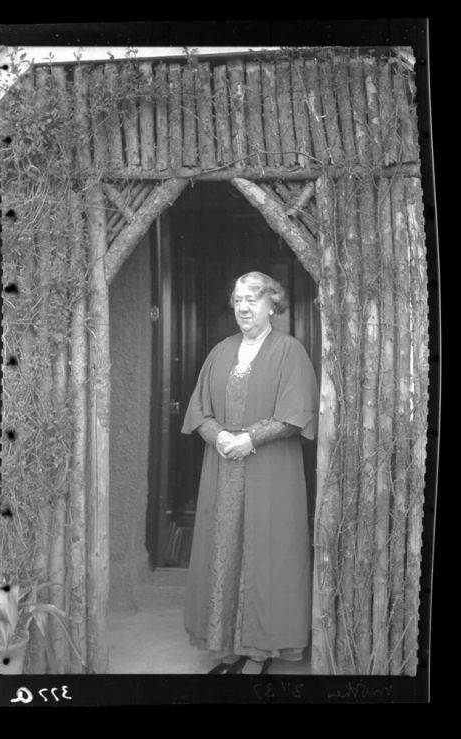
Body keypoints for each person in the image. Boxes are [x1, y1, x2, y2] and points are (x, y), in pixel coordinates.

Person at [181, 271, 319, 675]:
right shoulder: (221, 351)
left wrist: (250, 439)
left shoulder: (289, 351)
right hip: (223, 471)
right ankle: (226, 648)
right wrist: (218, 435)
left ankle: (259, 651)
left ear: (272, 304)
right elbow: (198, 410)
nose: (243, 307)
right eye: (239, 299)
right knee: (223, 550)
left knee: (265, 555)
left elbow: (297, 415)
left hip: (270, 474)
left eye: (253, 299)